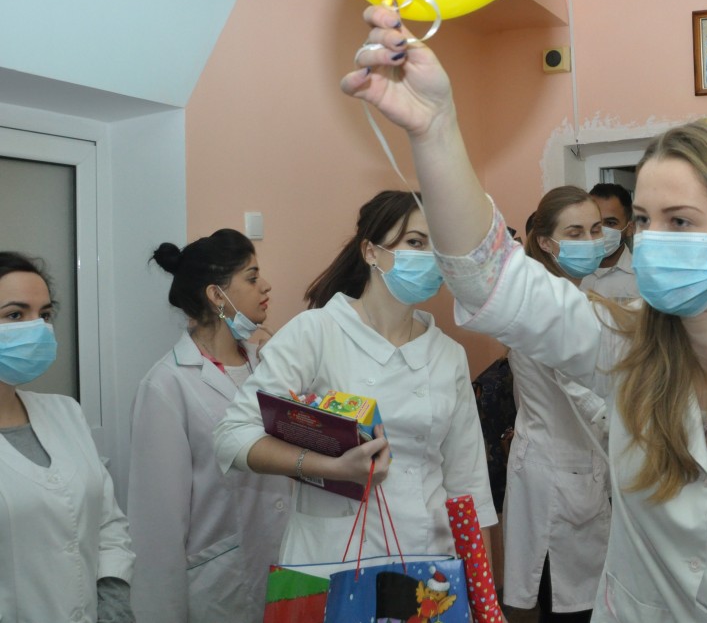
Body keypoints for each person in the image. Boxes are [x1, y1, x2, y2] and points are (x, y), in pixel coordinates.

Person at [340, 7, 707, 622]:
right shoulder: (626, 348)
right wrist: (436, 132)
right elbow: (492, 279)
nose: (652, 239)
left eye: (680, 221)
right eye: (644, 219)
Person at [214, 191, 498, 568]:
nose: (430, 257)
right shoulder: (316, 333)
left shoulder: (448, 355)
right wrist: (329, 468)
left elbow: (469, 486)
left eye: (439, 248)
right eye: (416, 242)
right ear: (370, 252)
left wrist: (482, 591)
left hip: (430, 562)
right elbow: (232, 436)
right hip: (335, 561)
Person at [128, 230, 291, 622]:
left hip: (288, 571)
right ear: (217, 295)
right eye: (252, 277)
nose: (266, 286)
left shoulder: (270, 364)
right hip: (219, 585)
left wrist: (287, 367)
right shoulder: (166, 385)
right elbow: (159, 525)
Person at [0, 252, 135, 623]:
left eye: (44, 315)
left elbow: (107, 521)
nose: (38, 329)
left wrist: (114, 602)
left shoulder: (65, 413)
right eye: (15, 315)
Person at [505, 186, 612, 622]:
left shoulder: (575, 296)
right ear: (547, 243)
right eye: (575, 232)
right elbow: (586, 396)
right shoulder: (546, 306)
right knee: (563, 606)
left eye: (595, 229)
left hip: (578, 470)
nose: (590, 241)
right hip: (554, 477)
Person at [581, 183, 638, 302]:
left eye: (611, 223)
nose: (600, 230)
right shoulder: (569, 271)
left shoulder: (641, 278)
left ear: (629, 229)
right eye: (594, 221)